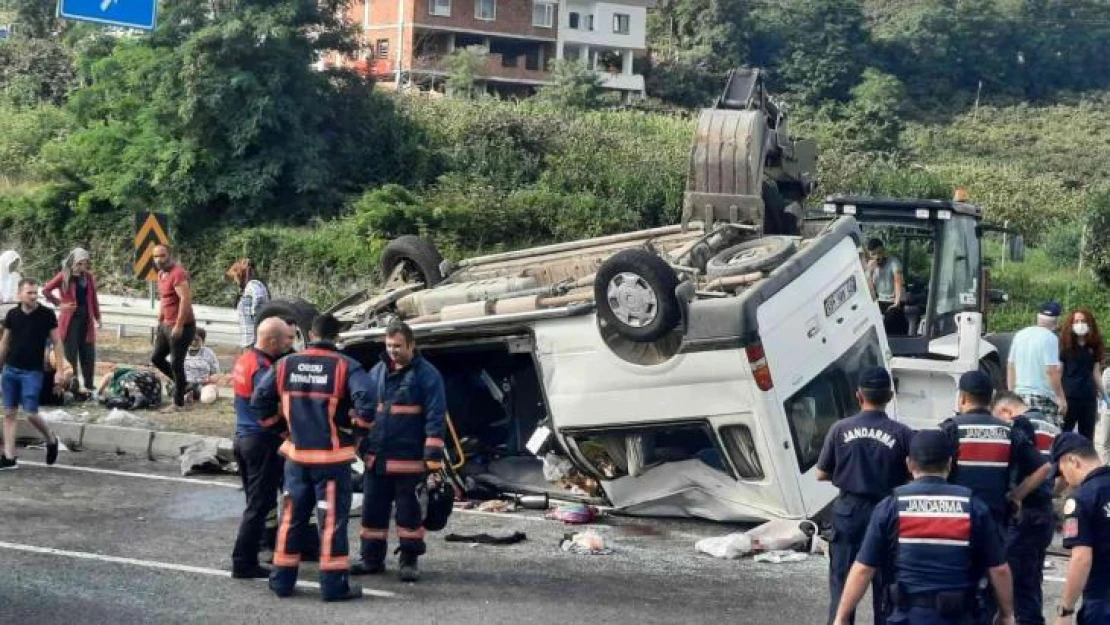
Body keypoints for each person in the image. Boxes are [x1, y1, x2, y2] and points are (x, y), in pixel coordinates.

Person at [833, 429, 1016, 625]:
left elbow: (863, 569)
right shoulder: (973, 507)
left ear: (909, 464)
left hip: (906, 617)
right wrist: (1007, 614)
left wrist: (842, 617)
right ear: (950, 463)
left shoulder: (891, 506)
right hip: (959, 617)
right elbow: (999, 570)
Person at [250, 313, 374, 602]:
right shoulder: (346, 366)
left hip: (296, 459)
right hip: (331, 462)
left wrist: (282, 430)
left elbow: (259, 402)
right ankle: (333, 586)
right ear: (337, 336)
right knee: (331, 523)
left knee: (291, 520)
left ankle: (281, 581)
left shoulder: (285, 365)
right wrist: (356, 435)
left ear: (311, 334)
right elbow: (367, 403)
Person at [940, 371, 1049, 624]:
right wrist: (1016, 495)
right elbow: (1043, 468)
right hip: (994, 524)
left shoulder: (951, 428)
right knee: (989, 588)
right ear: (990, 399)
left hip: (957, 524)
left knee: (956, 585)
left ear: (963, 398)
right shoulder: (1008, 431)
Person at [817, 366, 915, 625]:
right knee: (886, 586)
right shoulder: (903, 434)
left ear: (858, 395)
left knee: (843, 582)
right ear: (890, 396)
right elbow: (914, 473)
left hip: (848, 512)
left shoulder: (840, 429)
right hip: (888, 512)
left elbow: (821, 473)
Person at [351, 320, 446, 583]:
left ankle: (409, 560)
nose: (393, 350)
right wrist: (360, 443)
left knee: (409, 516)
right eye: (389, 345)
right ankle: (371, 559)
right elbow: (366, 410)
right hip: (377, 460)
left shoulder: (427, 375)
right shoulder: (377, 371)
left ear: (412, 345)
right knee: (372, 515)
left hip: (409, 462)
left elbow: (435, 417)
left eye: (398, 346)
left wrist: (432, 457)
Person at [229, 317, 294, 579]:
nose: (288, 345)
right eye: (285, 340)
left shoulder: (245, 360)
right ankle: (243, 561)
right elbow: (266, 404)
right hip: (261, 441)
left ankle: (252, 553)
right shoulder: (263, 368)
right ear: (272, 341)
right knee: (259, 504)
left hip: (243, 438)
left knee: (255, 502)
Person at [991, 391, 1061, 625]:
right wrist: (1052, 491)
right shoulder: (1053, 428)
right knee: (1032, 579)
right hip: (1045, 513)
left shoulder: (1018, 425)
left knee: (1017, 583)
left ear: (1006, 412)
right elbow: (1065, 475)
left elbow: (1026, 469)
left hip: (1025, 513)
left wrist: (1017, 494)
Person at [0, 279, 65, 470]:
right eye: (29, 293)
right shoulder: (12, 315)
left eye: (35, 292)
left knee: (30, 414)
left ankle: (50, 438)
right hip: (10, 370)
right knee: (9, 413)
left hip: (32, 372)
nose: (34, 296)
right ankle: (10, 457)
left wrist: (60, 371)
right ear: (19, 294)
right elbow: (4, 343)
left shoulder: (46, 314)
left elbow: (57, 343)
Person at [1050, 432, 1110, 624]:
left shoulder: (1082, 499)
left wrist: (1065, 611)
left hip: (1102, 599)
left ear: (1073, 461)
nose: (1064, 480)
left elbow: (1081, 559)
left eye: (1062, 472)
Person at [43, 248, 103, 393]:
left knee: (88, 351)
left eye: (85, 263)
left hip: (86, 319)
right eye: (80, 263)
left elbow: (93, 298)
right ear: (73, 262)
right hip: (69, 319)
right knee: (70, 352)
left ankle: (89, 385)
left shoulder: (87, 277)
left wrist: (98, 317)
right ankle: (72, 385)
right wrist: (60, 304)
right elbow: (46, 290)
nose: (83, 267)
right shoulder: (64, 275)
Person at [149, 245, 196, 409]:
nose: (159, 260)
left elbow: (185, 299)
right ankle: (184, 385)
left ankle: (178, 403)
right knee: (156, 358)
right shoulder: (161, 274)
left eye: (162, 256)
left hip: (182, 325)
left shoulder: (178, 274)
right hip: (166, 324)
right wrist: (160, 319)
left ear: (169, 256)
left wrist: (179, 324)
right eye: (155, 257)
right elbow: (164, 299)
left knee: (176, 363)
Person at [1007, 302, 1067, 426]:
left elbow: (1011, 367)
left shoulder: (1020, 335)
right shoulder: (1051, 339)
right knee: (1046, 440)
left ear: (1037, 317)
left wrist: (1011, 393)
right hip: (1042, 398)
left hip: (1020, 397)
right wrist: (1061, 398)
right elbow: (1051, 371)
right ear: (1057, 322)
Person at [1059, 308, 1105, 440]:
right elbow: (1059, 371)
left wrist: (1105, 395)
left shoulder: (1094, 345)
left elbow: (1096, 372)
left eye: (1083, 321)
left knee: (1087, 438)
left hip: (1088, 398)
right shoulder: (1065, 345)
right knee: (1064, 435)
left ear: (1089, 323)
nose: (1080, 324)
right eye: (1077, 321)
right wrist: (1059, 396)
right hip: (1069, 397)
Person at [865, 239, 908, 336]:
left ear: (884, 251)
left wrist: (896, 303)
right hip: (880, 302)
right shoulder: (870, 267)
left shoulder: (893, 262)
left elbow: (898, 282)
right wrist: (869, 273)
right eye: (874, 254)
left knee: (891, 318)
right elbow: (870, 293)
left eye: (879, 253)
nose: (877, 257)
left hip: (895, 300)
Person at [226, 258, 270, 351]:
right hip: (250, 340)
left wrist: (255, 314)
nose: (235, 280)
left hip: (253, 340)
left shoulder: (253, 284)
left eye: (235, 277)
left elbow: (259, 298)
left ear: (240, 275)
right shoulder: (249, 287)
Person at [182, 328, 221, 405]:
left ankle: (207, 393)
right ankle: (188, 397)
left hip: (204, 385)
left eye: (196, 340)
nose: (193, 342)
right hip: (186, 384)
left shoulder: (209, 353)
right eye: (191, 339)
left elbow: (216, 374)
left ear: (203, 341)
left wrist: (208, 380)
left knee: (206, 399)